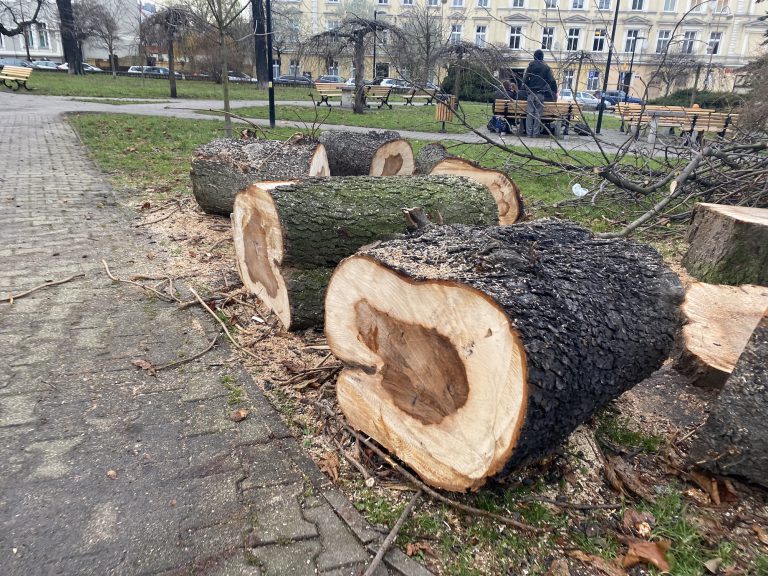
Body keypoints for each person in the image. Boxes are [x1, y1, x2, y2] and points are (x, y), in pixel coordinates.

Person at [523, 49, 557, 137]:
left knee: (530, 114)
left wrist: (527, 89)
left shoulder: (530, 67)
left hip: (531, 93)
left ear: (534, 57)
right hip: (540, 94)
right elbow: (551, 80)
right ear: (542, 57)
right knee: (538, 114)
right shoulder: (546, 68)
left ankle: (528, 134)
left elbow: (525, 80)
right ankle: (535, 134)